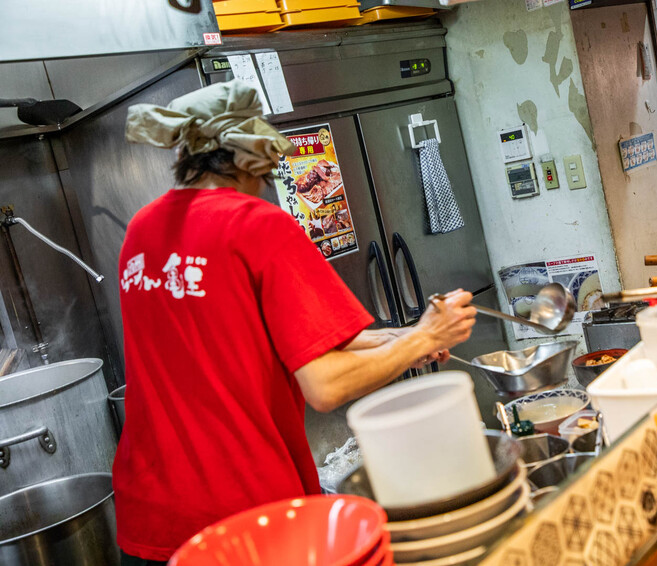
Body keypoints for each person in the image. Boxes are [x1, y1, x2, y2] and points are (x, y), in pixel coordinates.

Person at [114, 80, 476, 565]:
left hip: (151, 515)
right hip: (246, 518)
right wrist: (426, 337)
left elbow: (269, 344)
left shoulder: (142, 230)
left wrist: (407, 335)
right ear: (253, 155)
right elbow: (324, 385)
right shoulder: (257, 225)